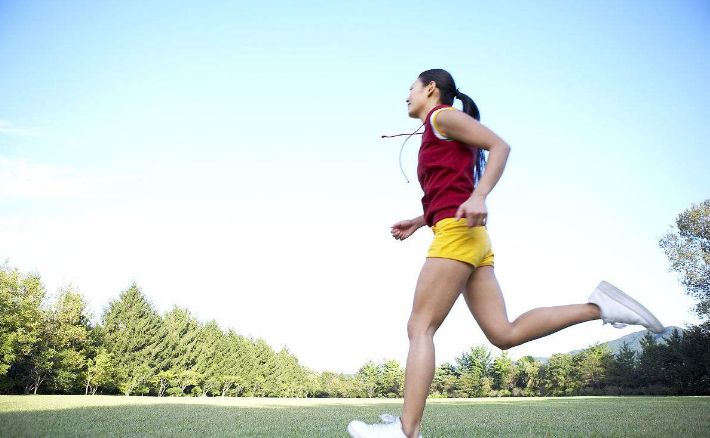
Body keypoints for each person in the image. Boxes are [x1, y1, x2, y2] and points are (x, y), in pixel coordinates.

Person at [346, 69, 664, 438]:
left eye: (410, 88)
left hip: (457, 234)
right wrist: (421, 219)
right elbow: (451, 184)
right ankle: (600, 307)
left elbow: (500, 146)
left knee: (420, 327)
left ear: (430, 88)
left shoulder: (442, 116)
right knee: (504, 333)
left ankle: (406, 430)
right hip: (468, 235)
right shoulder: (439, 126)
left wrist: (480, 196)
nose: (406, 96)